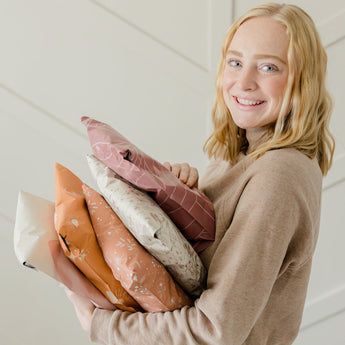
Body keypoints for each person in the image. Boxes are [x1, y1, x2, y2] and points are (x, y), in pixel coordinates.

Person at [66, 3, 335, 344]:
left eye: (268, 67)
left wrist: (103, 325)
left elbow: (214, 330)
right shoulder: (240, 154)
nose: (244, 82)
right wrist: (183, 197)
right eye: (235, 62)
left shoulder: (278, 175)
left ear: (303, 80)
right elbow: (202, 270)